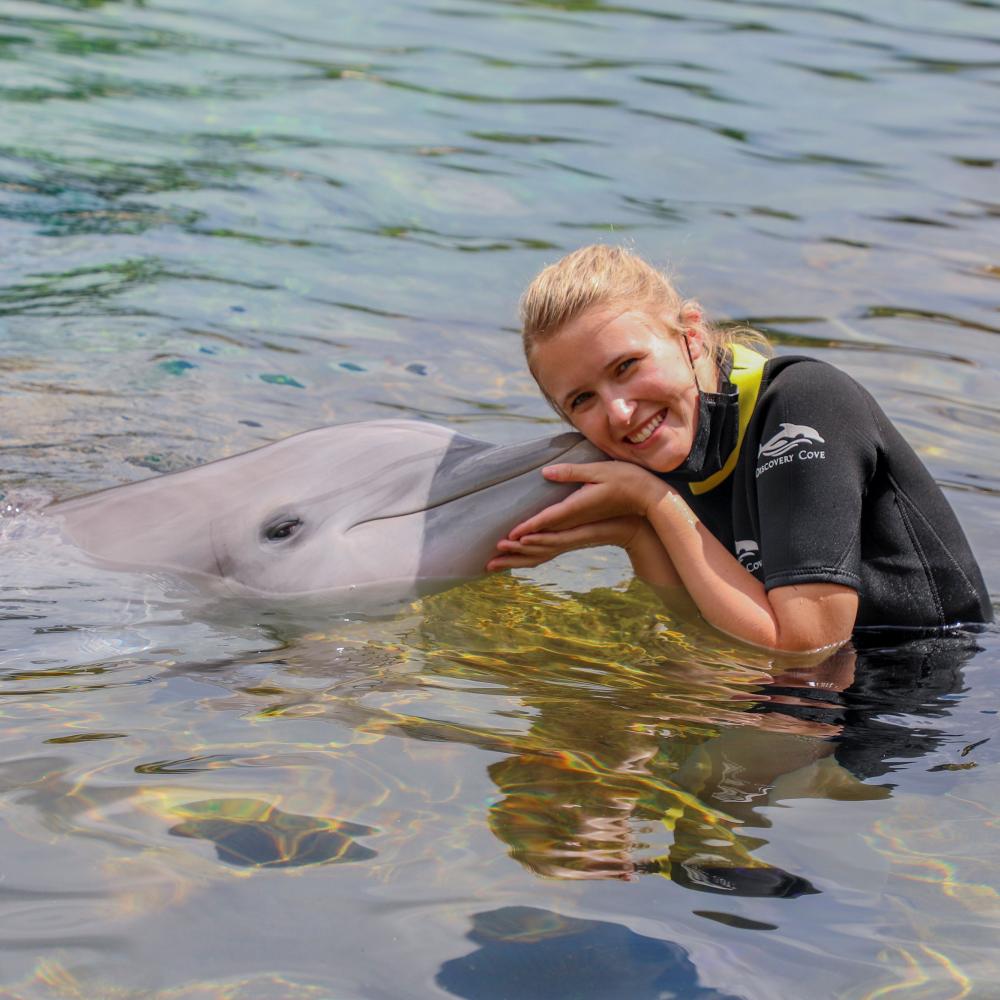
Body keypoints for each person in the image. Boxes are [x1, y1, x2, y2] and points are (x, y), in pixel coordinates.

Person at [486, 245, 992, 652]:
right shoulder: (665, 443)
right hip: (828, 696)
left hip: (938, 700)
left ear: (690, 335)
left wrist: (653, 503)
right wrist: (634, 531)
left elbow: (807, 644)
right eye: (582, 399)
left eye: (627, 366)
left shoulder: (804, 402)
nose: (619, 412)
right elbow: (705, 636)